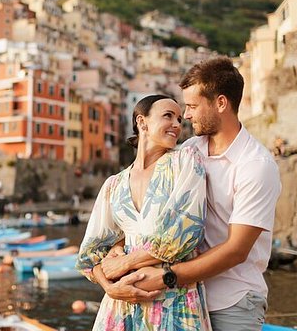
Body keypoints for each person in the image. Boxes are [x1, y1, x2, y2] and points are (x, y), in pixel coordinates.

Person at [105, 57, 281, 331]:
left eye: (192, 106)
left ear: (221, 103)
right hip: (180, 299)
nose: (185, 116)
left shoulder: (256, 166)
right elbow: (145, 211)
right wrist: (119, 248)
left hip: (230, 301)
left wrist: (166, 277)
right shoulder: (187, 152)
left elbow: (236, 250)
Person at [76, 95, 211, 330]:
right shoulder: (113, 185)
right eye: (168, 116)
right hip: (121, 303)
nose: (178, 125)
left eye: (180, 119)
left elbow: (186, 232)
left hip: (174, 300)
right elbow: (91, 254)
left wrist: (124, 263)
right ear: (142, 121)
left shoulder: (185, 162)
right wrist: (109, 287)